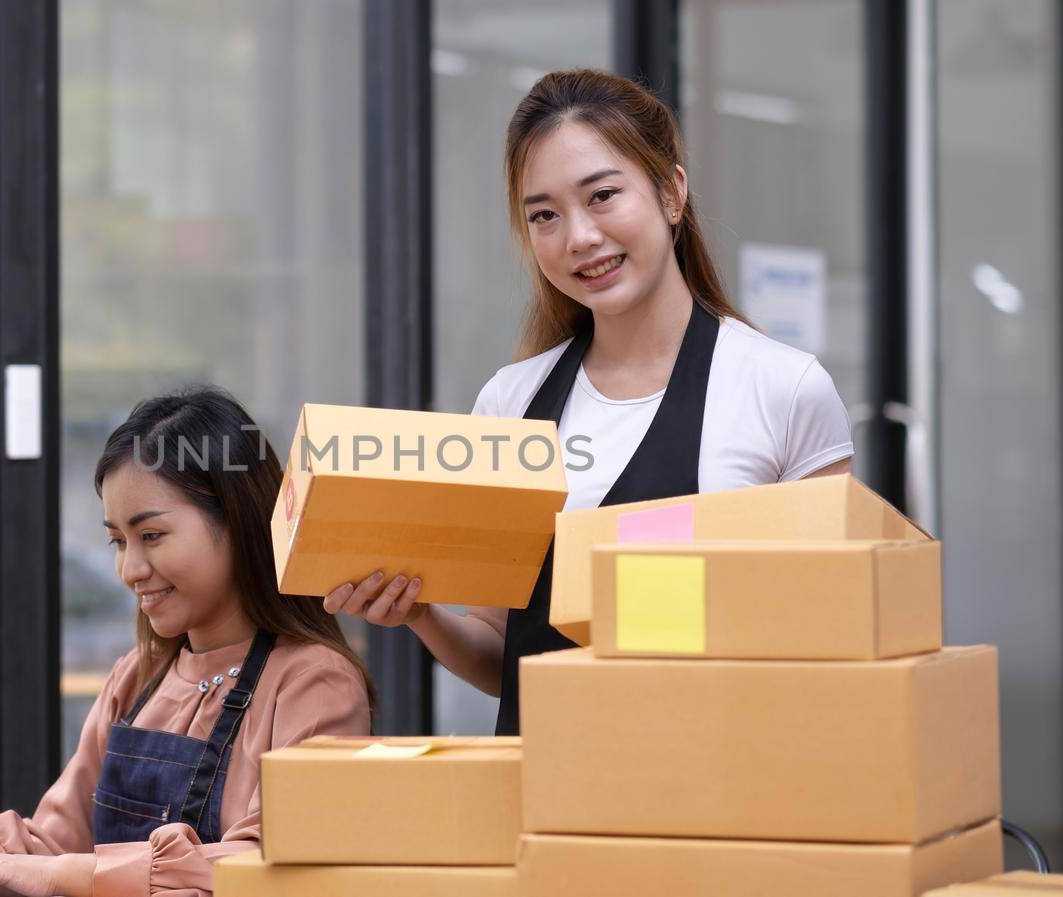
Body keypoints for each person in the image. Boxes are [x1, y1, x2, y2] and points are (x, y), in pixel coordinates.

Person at [325, 68, 854, 735]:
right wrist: (422, 614)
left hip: (722, 798)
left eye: (602, 195)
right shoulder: (509, 404)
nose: (577, 236)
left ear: (671, 193)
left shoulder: (783, 389)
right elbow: (506, 657)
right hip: (542, 805)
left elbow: (833, 640)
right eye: (543, 214)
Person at [0, 387, 373, 897]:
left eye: (152, 536)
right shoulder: (136, 677)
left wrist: (54, 873)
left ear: (239, 520)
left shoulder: (316, 683)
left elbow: (269, 869)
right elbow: (55, 842)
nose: (129, 570)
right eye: (117, 541)